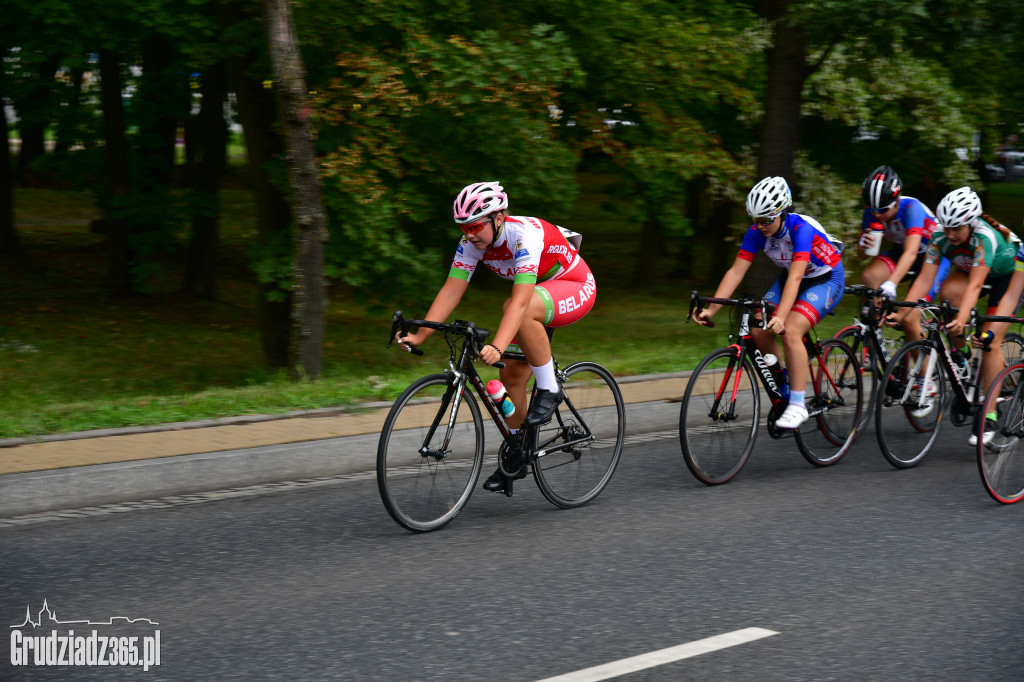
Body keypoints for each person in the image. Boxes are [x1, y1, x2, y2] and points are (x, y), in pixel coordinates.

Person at [395, 181, 597, 494]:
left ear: (498, 218)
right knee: (513, 375)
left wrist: (498, 345)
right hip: (536, 296)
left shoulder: (523, 236)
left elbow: (518, 303)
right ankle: (516, 454)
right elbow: (451, 290)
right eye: (463, 228)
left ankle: (550, 388)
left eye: (475, 226)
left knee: (519, 308)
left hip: (573, 283)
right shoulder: (471, 244)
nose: (469, 234)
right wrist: (421, 335)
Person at [695, 176, 845, 429]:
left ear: (783, 212)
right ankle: (786, 379)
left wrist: (781, 315)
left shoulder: (801, 229)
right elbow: (736, 272)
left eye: (767, 219)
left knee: (791, 329)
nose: (761, 225)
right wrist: (713, 308)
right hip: (791, 276)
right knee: (758, 328)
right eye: (756, 220)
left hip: (826, 278)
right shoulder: (756, 232)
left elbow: (797, 277)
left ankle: (798, 405)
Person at [887, 186, 1018, 441]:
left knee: (990, 340)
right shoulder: (939, 236)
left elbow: (975, 286)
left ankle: (989, 416)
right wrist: (903, 313)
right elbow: (925, 279)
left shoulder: (984, 237)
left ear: (971, 223)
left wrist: (961, 319)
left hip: (1006, 278)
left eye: (957, 228)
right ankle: (963, 358)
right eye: (947, 227)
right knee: (947, 294)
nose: (950, 234)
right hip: (972, 270)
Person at [857, 165, 941, 340]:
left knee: (909, 318)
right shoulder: (871, 211)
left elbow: (911, 252)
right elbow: (862, 256)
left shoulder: (911, 208)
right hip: (901, 251)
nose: (877, 214)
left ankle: (925, 367)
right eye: (873, 210)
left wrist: (891, 284)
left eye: (883, 210)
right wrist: (864, 246)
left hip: (931, 256)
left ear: (896, 202)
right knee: (870, 277)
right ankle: (875, 341)